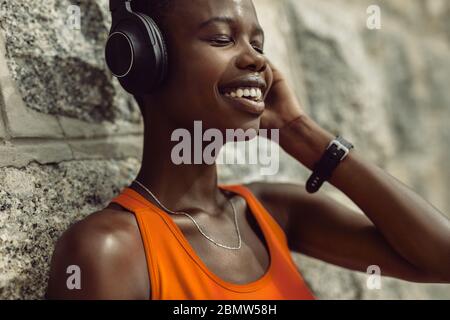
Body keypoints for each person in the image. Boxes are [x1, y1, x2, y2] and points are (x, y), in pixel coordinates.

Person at [46, 0, 450, 300]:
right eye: (222, 38)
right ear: (147, 60)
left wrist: (300, 132)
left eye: (258, 43)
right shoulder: (109, 250)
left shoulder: (271, 213)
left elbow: (441, 260)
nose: (256, 59)